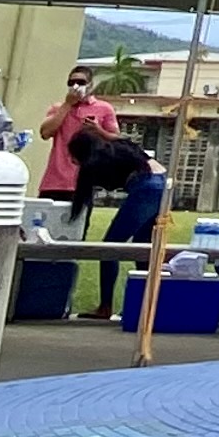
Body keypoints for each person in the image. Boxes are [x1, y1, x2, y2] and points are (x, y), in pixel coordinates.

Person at [67, 128, 169, 319]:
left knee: (110, 248)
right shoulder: (119, 147)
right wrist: (101, 131)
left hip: (146, 188)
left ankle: (105, 306)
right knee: (144, 247)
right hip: (164, 184)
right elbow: (126, 139)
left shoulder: (93, 163)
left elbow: (82, 200)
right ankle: (145, 307)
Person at [39, 65, 119, 202]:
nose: (75, 86)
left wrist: (98, 130)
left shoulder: (104, 108)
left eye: (81, 82)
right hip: (55, 181)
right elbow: (45, 133)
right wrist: (67, 105)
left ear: (90, 85)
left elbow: (117, 139)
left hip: (85, 179)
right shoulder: (58, 108)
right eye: (71, 83)